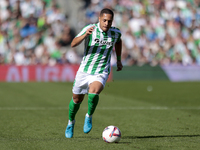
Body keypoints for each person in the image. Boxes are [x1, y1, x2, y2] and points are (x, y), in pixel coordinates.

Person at [65, 8, 123, 138]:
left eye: (109, 21)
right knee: (76, 100)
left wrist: (118, 60)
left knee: (94, 92)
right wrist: (85, 35)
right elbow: (73, 43)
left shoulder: (115, 33)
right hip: (85, 70)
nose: (107, 24)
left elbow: (119, 42)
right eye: (104, 20)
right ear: (99, 19)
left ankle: (89, 116)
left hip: (101, 71)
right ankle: (71, 122)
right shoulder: (90, 28)